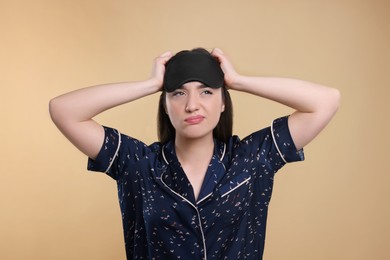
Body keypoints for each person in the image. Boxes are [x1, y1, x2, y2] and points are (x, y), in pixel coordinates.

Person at [49, 47, 340, 259]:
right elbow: (64, 110)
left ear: (223, 101)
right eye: (178, 93)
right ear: (165, 104)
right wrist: (150, 85)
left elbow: (326, 101)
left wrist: (238, 81)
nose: (192, 105)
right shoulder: (138, 164)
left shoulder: (250, 159)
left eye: (206, 92)